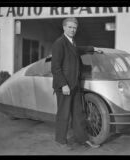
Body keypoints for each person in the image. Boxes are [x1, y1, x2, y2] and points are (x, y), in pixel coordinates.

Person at [51, 17, 103, 149]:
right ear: (64, 28)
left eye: (74, 28)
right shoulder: (59, 43)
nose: (72, 30)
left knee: (78, 113)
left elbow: (78, 49)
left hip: (74, 84)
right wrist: (63, 85)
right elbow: (55, 67)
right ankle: (60, 140)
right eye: (70, 27)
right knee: (64, 114)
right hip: (64, 86)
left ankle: (82, 139)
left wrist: (93, 48)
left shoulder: (72, 42)